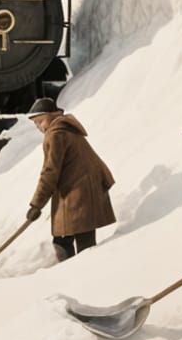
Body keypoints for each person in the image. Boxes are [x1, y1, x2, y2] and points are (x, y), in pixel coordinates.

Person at [25, 98, 116, 262]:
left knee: (67, 239)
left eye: (40, 121)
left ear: (53, 115)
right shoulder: (67, 129)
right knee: (80, 237)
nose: (39, 127)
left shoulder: (56, 134)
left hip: (78, 193)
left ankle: (74, 274)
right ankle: (82, 272)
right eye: (36, 124)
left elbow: (50, 171)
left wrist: (36, 204)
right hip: (84, 190)